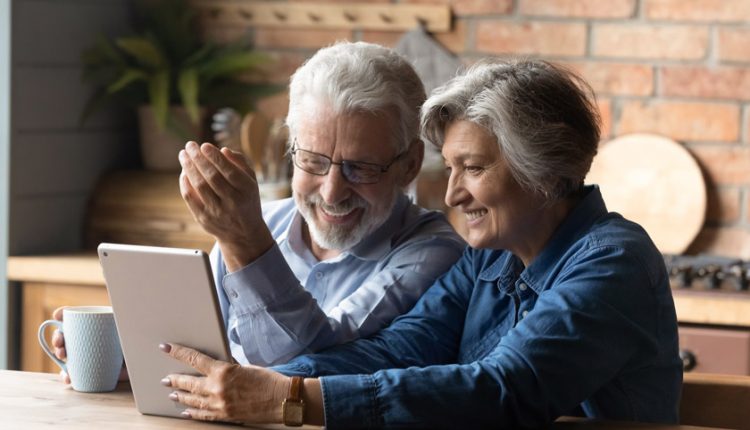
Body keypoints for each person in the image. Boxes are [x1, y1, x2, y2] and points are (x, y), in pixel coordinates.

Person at [160, 59, 682, 428]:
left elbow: (503, 391)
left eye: (473, 168)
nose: (453, 194)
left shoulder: (613, 260)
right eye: (451, 167)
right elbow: (395, 352)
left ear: (543, 172)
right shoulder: (488, 259)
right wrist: (249, 382)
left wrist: (289, 397)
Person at [50, 41, 465, 374]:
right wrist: (125, 358)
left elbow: (305, 369)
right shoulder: (264, 220)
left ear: (409, 164)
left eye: (361, 168)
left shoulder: (434, 253)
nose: (333, 191)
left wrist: (244, 241)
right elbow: (201, 352)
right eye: (314, 161)